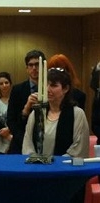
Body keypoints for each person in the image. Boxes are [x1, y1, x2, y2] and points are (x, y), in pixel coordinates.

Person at [22, 67, 89, 203]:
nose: (47, 89)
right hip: (38, 176)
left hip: (65, 178)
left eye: (53, 85)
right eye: (46, 84)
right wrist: (37, 161)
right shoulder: (37, 113)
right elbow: (27, 142)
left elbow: (79, 148)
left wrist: (53, 165)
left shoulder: (77, 114)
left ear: (65, 89)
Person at [7, 49, 46, 154]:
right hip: (20, 144)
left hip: (47, 144)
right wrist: (26, 109)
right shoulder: (17, 90)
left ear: (44, 67)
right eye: (30, 65)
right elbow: (10, 121)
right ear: (27, 68)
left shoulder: (51, 90)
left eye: (37, 65)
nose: (34, 68)